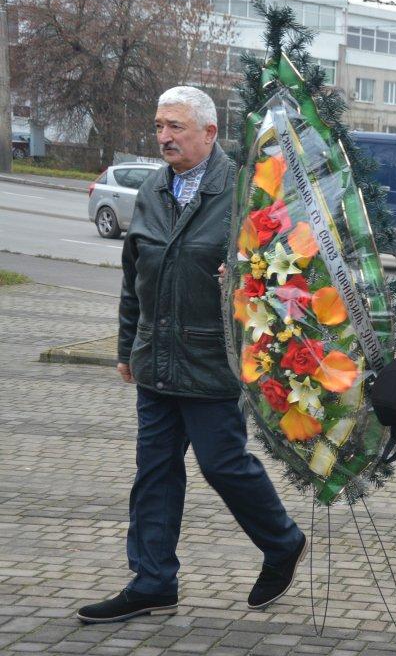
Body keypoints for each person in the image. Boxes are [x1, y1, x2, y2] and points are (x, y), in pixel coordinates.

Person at [77, 86, 307, 624]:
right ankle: (152, 581)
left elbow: (288, 278)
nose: (164, 137)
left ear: (209, 132)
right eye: (159, 126)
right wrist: (127, 347)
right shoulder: (154, 189)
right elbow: (135, 278)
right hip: (156, 359)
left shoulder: (244, 192)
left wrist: (246, 277)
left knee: (223, 464)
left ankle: (282, 541)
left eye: (175, 126)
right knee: (154, 473)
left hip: (212, 361)